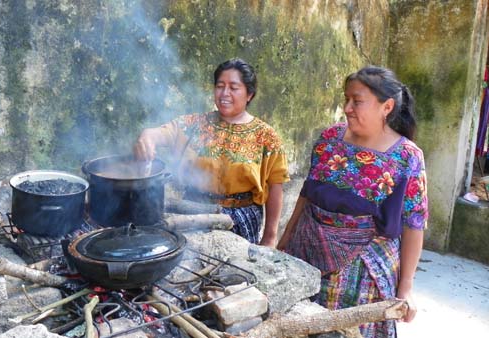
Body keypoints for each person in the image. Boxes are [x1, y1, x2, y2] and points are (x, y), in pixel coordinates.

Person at [276, 66, 427, 337]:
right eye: (346, 99)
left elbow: (414, 223)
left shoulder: (407, 157)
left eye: (357, 101)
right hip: (306, 254)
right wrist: (285, 240)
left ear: (387, 106)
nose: (347, 108)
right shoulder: (329, 139)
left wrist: (405, 289)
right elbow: (307, 194)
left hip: (361, 272)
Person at [134, 58, 289, 247]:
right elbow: (164, 132)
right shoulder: (194, 124)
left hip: (240, 220)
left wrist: (270, 236)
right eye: (220, 86)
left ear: (249, 94)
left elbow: (275, 186)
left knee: (235, 273)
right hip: (193, 212)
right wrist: (147, 136)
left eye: (233, 87)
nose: (224, 93)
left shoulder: (266, 136)